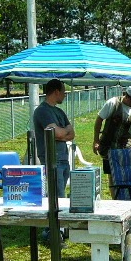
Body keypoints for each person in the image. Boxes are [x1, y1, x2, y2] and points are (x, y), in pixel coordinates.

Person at [33, 78, 75, 241]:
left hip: (63, 159)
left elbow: (71, 133)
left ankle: (59, 228)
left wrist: (61, 133)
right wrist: (62, 133)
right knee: (56, 196)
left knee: (61, 195)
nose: (64, 95)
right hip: (52, 160)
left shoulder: (59, 112)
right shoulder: (42, 111)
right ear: (56, 91)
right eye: (63, 91)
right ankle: (53, 232)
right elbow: (57, 133)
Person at [92, 84, 131, 198]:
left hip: (127, 148)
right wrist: (96, 140)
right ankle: (115, 198)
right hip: (109, 146)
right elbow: (99, 119)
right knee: (112, 175)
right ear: (127, 96)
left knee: (130, 174)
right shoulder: (113, 103)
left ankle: (130, 198)